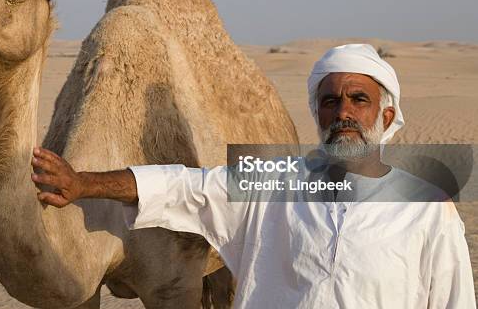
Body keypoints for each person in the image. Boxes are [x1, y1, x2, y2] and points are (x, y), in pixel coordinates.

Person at [31, 44, 476, 308]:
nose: (342, 112)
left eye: (358, 99)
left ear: (387, 114)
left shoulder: (427, 208)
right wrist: (84, 184)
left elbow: (454, 300)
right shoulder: (275, 180)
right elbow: (183, 186)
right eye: (329, 101)